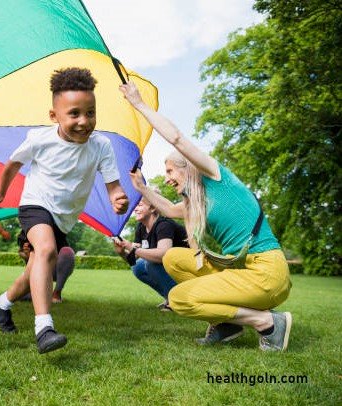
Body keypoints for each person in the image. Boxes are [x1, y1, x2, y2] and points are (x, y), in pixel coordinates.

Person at [120, 81, 292, 351]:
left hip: (266, 273)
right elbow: (168, 209)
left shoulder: (215, 176)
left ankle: (267, 322)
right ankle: (226, 324)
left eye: (170, 172)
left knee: (179, 299)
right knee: (174, 257)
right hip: (241, 269)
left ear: (187, 168)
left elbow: (176, 138)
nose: (166, 179)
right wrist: (141, 188)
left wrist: (139, 104)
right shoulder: (196, 202)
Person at [0, 67, 129, 354]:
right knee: (47, 250)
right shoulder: (40, 139)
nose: (84, 121)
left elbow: (114, 185)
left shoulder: (101, 145)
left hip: (64, 217)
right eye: (74, 114)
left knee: (35, 270)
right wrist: (1, 192)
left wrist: (118, 197)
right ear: (54, 116)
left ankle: (2, 303)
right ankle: (44, 328)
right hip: (36, 204)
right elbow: (13, 164)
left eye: (90, 113)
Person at [113, 193, 188, 311]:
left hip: (187, 269)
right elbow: (135, 260)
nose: (135, 208)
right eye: (135, 205)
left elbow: (163, 254)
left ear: (153, 208)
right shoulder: (141, 227)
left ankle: (178, 300)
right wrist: (122, 252)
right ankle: (170, 297)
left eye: (140, 205)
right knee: (138, 267)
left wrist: (132, 248)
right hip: (171, 267)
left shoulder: (164, 225)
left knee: (151, 263)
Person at [17, 231, 75, 304]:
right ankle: (39, 293)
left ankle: (56, 293)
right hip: (37, 269)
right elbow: (25, 258)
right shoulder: (25, 233)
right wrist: (27, 255)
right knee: (20, 295)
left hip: (55, 267)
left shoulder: (57, 229)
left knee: (67, 251)